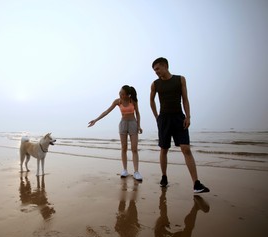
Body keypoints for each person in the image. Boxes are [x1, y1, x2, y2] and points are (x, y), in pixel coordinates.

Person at [150, 57, 210, 193]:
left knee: (186, 149)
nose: (156, 72)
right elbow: (151, 100)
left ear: (165, 66)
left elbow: (185, 99)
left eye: (157, 68)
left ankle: (196, 184)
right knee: (164, 149)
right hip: (164, 119)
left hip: (178, 117)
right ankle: (164, 176)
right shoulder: (155, 84)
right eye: (154, 70)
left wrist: (188, 116)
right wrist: (157, 117)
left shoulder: (180, 79)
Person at [88, 85, 143, 180]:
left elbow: (137, 113)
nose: (120, 94)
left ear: (127, 95)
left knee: (134, 148)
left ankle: (136, 172)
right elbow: (107, 111)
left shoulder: (133, 100)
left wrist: (138, 125)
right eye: (120, 92)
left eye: (122, 93)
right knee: (124, 147)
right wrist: (96, 120)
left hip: (133, 124)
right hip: (123, 124)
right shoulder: (118, 101)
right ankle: (125, 170)